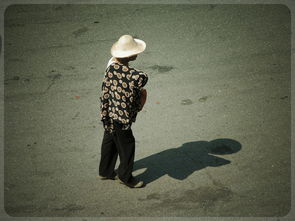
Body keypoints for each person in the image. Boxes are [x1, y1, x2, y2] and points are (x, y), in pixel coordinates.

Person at [98, 35, 148, 188]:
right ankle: (125, 176)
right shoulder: (137, 76)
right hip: (121, 116)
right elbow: (138, 93)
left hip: (108, 111)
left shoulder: (111, 64)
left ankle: (105, 170)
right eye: (135, 52)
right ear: (129, 55)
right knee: (127, 145)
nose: (137, 54)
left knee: (110, 138)